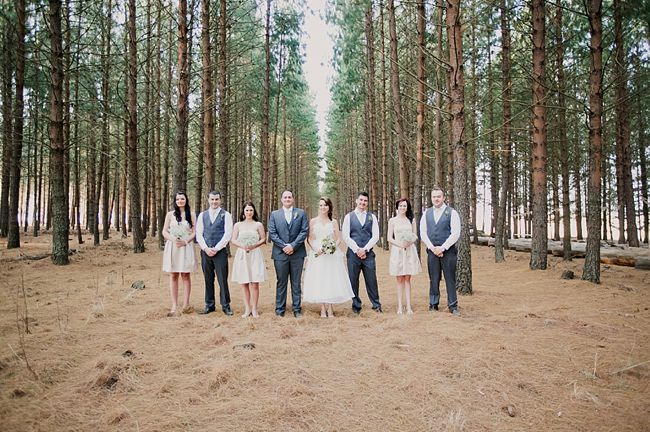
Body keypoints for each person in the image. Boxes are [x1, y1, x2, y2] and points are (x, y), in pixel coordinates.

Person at [303, 197, 354, 318]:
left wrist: (332, 248)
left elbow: (338, 238)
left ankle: (330, 308)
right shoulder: (313, 221)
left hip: (331, 254)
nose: (322, 207)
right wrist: (317, 249)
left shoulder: (334, 222)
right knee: (320, 279)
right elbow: (309, 238)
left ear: (329, 207)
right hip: (318, 253)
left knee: (331, 279)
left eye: (325, 205)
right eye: (320, 205)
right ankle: (322, 308)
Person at [419, 187, 461, 316]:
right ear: (431, 198)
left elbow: (455, 233)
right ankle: (433, 304)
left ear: (443, 197)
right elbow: (423, 233)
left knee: (450, 279)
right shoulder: (427, 213)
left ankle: (453, 305)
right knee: (434, 278)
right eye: (434, 197)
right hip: (432, 252)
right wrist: (433, 248)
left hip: (448, 252)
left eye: (438, 196)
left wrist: (442, 248)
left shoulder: (452, 212)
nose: (436, 199)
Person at [268, 190, 309, 317]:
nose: (287, 199)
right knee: (281, 281)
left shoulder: (301, 213)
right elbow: (272, 233)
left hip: (297, 253)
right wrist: (284, 246)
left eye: (289, 197)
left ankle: (297, 309)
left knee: (296, 282)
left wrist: (293, 245)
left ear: (293, 199)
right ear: (281, 200)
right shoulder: (274, 214)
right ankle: (280, 309)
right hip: (280, 254)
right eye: (285, 197)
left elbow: (304, 231)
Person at [342, 192, 382, 314]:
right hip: (353, 255)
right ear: (356, 201)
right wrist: (357, 250)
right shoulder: (349, 216)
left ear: (367, 203)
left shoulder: (372, 217)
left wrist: (365, 249)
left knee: (371, 280)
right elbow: (345, 236)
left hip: (368, 254)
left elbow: (375, 236)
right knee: (353, 280)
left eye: (365, 201)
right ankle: (356, 305)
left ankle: (376, 304)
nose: (362, 202)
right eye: (361, 200)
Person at [196, 191, 234, 316]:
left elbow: (228, 234)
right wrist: (206, 248)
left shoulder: (226, 215)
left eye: (216, 199)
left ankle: (225, 305)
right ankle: (209, 305)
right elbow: (199, 234)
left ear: (220, 200)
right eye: (212, 199)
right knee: (208, 279)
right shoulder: (202, 215)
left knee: (222, 279)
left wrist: (216, 248)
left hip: (220, 252)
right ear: (208, 199)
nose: (214, 202)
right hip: (205, 252)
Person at [162, 191, 197, 316]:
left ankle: (186, 304)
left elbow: (194, 232)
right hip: (173, 247)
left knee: (186, 275)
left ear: (186, 200)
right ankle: (174, 304)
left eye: (182, 199)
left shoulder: (191, 214)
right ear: (175, 201)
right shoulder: (170, 215)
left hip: (186, 246)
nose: (180, 201)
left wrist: (185, 241)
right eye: (178, 199)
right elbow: (164, 231)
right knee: (174, 275)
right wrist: (173, 239)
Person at [230, 201, 267, 318]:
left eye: (251, 210)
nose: (249, 212)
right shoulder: (238, 225)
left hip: (255, 254)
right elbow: (233, 240)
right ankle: (247, 308)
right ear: (243, 212)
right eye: (247, 210)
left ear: (254, 211)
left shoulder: (258, 225)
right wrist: (243, 246)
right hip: (242, 254)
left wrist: (254, 245)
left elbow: (263, 239)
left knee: (255, 283)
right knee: (244, 283)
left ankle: (254, 308)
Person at [387, 198, 422, 315]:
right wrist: (400, 244)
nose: (403, 208)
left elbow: (415, 235)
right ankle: (400, 307)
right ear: (397, 207)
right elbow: (389, 238)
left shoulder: (411, 220)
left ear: (407, 208)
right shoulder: (392, 220)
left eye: (405, 206)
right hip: (398, 250)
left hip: (409, 251)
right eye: (401, 206)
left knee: (407, 279)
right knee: (399, 279)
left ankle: (409, 306)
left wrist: (409, 242)